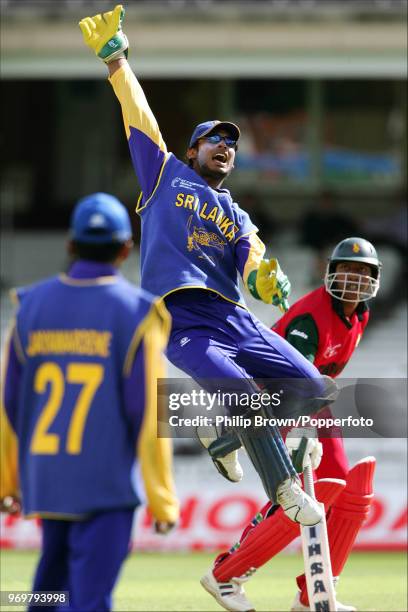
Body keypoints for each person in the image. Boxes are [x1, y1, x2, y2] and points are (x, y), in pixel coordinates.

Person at [78, 5, 338, 529]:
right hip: (184, 322)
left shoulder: (238, 214)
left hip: (235, 320)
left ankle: (222, 438)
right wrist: (117, 64)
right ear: (193, 149)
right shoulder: (163, 175)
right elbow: (141, 117)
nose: (226, 147)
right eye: (216, 139)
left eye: (233, 144)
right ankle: (284, 490)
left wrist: (270, 278)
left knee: (317, 390)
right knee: (245, 397)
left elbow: (256, 263)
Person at [0, 193, 179, 612]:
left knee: (49, 591)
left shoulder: (28, 306)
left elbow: (10, 403)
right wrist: (162, 497)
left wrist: (9, 482)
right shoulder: (139, 312)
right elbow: (149, 414)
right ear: (125, 249)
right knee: (88, 600)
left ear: (70, 244)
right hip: (105, 487)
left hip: (48, 481)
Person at [200, 237, 381, 612]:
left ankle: (315, 593)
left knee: (344, 488)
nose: (353, 277)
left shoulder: (360, 314)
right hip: (276, 403)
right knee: (291, 496)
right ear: (330, 272)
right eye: (346, 268)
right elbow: (289, 381)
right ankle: (227, 574)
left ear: (375, 279)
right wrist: (300, 429)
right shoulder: (309, 318)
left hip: (315, 401)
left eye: (362, 271)